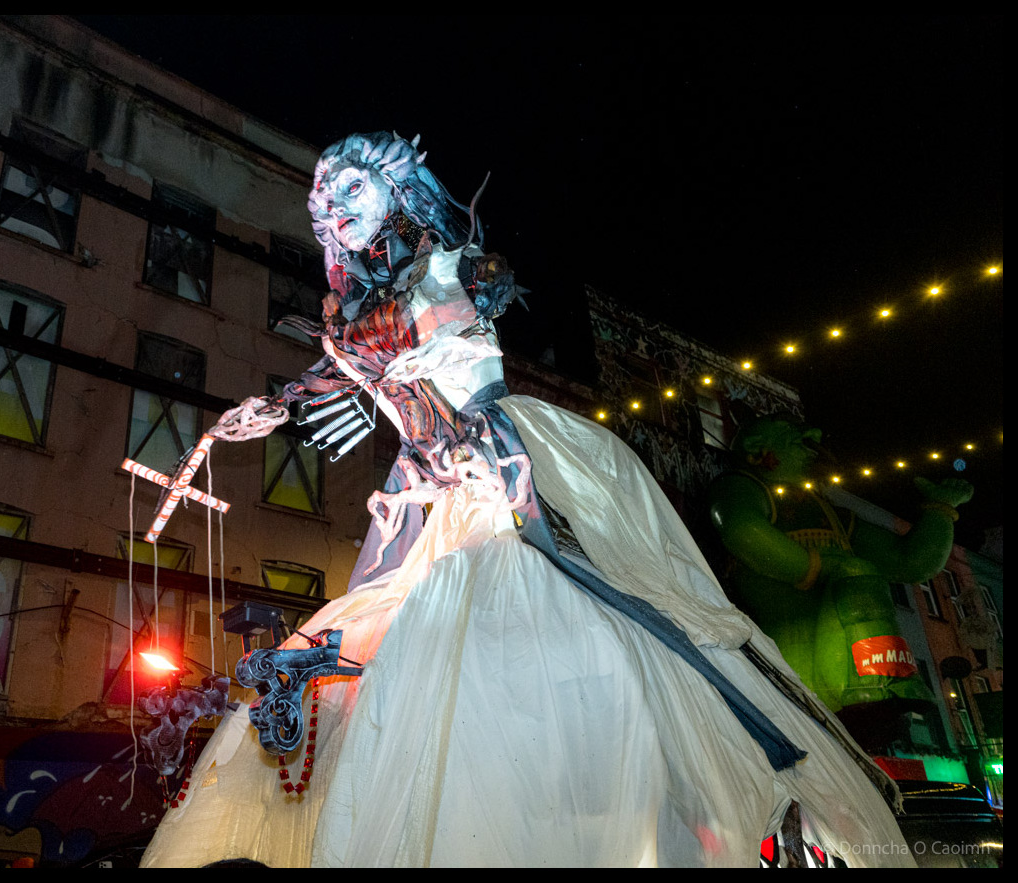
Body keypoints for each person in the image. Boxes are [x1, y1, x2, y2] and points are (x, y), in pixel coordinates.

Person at [141, 132, 912, 868]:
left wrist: (370, 356)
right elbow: (338, 371)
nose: (334, 209)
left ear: (393, 188)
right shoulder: (356, 309)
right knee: (399, 642)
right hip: (425, 492)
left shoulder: (447, 269)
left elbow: (436, 327)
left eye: (351, 188)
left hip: (496, 466)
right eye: (322, 201)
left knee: (547, 603)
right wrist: (266, 408)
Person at [707, 416, 970, 718]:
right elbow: (741, 528)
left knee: (857, 573)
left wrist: (941, 511)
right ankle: (873, 682)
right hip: (782, 634)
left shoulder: (833, 515)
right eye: (795, 436)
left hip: (832, 635)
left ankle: (883, 680)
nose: (812, 440)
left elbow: (908, 562)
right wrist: (813, 568)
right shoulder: (743, 486)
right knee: (855, 572)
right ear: (758, 448)